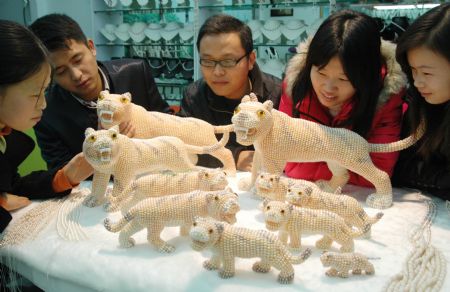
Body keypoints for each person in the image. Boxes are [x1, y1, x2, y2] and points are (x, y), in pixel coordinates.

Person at [279, 10, 407, 187]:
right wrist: (346, 167)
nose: (328, 88)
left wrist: (310, 163)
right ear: (309, 65)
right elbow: (286, 161)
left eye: (343, 79)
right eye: (321, 73)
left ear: (366, 77)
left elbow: (376, 174)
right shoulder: (295, 86)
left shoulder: (386, 96)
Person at [29, 14, 172, 170]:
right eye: (61, 71)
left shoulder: (135, 73)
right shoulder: (48, 113)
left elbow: (167, 124)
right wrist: (98, 151)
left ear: (91, 47)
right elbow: (61, 175)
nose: (76, 75)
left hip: (153, 172)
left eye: (77, 60)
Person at [0, 20, 92, 233]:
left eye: (44, 92)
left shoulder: (8, 137)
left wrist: (64, 177)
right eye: (35, 94)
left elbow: (13, 186)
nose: (43, 104)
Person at [178, 14, 282, 172]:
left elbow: (293, 147)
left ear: (251, 60)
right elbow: (184, 147)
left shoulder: (277, 95)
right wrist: (235, 156)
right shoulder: (194, 96)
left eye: (228, 61)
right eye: (208, 61)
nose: (217, 72)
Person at [392, 3, 450, 200]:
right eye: (413, 70)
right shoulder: (418, 102)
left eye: (426, 72)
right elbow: (397, 168)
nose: (417, 82)